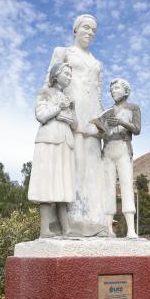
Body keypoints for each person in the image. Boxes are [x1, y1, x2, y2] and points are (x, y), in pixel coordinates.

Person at [44, 14, 108, 236]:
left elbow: (98, 93)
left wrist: (102, 120)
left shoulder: (97, 63)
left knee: (93, 168)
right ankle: (71, 220)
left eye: (94, 30)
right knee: (72, 167)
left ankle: (96, 220)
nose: (90, 32)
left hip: (92, 119)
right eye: (86, 28)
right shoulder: (63, 52)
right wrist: (55, 113)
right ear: (75, 30)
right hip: (70, 117)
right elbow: (48, 86)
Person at [28, 62, 77, 237]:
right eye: (66, 72)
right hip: (49, 141)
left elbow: (74, 124)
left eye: (70, 74)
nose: (69, 76)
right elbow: (41, 115)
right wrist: (59, 109)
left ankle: (67, 228)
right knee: (47, 183)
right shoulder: (45, 92)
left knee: (63, 184)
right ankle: (44, 230)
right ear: (56, 74)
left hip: (65, 143)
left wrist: (70, 110)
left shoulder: (68, 98)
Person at [95, 78, 141, 238]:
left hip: (123, 149)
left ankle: (131, 230)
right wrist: (100, 128)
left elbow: (137, 129)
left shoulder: (133, 108)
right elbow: (101, 134)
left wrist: (122, 122)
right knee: (108, 189)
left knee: (127, 186)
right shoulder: (106, 113)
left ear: (126, 91)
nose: (113, 91)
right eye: (112, 89)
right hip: (107, 150)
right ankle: (108, 228)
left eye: (117, 88)